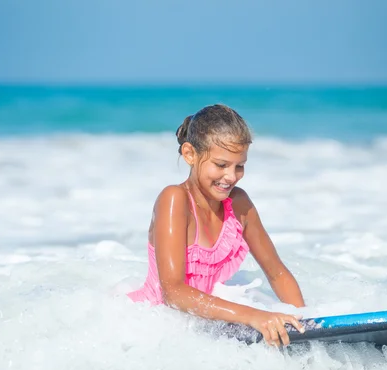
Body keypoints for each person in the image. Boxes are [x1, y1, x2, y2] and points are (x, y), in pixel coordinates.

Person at [127, 104, 307, 347]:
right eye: (221, 165)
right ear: (190, 154)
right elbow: (174, 293)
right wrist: (254, 316)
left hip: (206, 325)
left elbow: (277, 273)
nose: (231, 176)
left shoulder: (239, 203)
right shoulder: (174, 200)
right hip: (156, 328)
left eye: (239, 166)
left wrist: (304, 323)